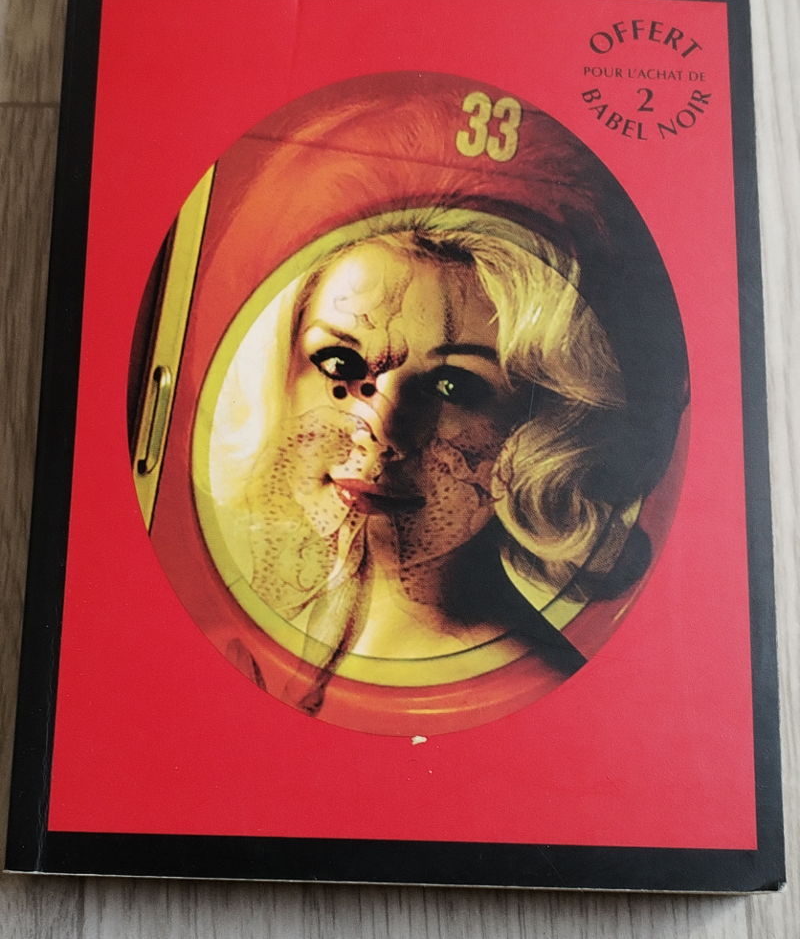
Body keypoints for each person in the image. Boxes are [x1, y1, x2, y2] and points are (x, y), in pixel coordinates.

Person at [205, 208, 659, 714]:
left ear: (539, 429)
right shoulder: (261, 632)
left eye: (452, 386)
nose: (381, 429)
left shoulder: (522, 694)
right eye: (340, 363)